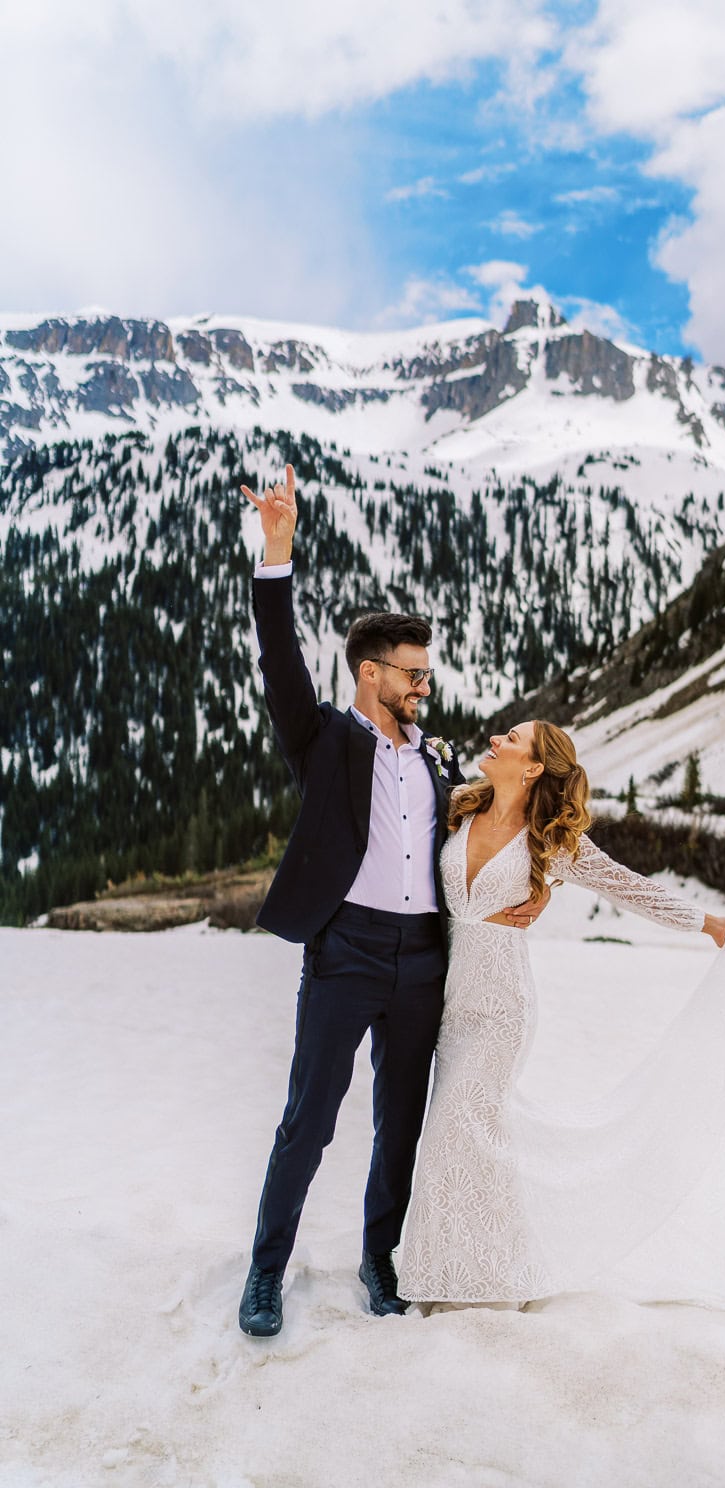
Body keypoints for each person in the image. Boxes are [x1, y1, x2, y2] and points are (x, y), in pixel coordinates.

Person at [236, 465, 547, 1336]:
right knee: (308, 1121)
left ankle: (383, 1261)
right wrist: (279, 549)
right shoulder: (325, 739)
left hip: (425, 962)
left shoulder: (442, 761)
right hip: (346, 952)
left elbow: (515, 824)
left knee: (402, 1124)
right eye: (412, 672)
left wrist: (542, 888)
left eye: (426, 672)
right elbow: (279, 658)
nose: (425, 684)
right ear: (371, 674)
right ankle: (265, 1273)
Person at [398, 720, 725, 1307]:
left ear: (533, 767)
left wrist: (704, 922)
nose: (495, 741)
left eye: (511, 739)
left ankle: (489, 1284)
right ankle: (457, 1271)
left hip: (503, 1009)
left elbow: (625, 884)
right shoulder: (457, 807)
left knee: (461, 1129)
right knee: (462, 1139)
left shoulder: (552, 840)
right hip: (449, 1005)